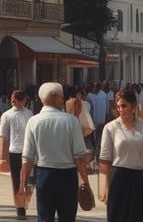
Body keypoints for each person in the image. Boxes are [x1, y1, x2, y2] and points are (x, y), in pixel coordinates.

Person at [20, 82, 91, 222]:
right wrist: (85, 181)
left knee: (45, 217)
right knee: (67, 217)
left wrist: (23, 183)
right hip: (67, 176)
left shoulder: (33, 122)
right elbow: (79, 157)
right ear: (58, 98)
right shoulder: (71, 121)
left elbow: (28, 158)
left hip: (44, 175)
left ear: (42, 99)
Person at [98, 89, 143, 222]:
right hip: (119, 177)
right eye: (118, 106)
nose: (121, 110)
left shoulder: (142, 125)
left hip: (139, 177)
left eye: (124, 106)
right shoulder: (110, 127)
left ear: (133, 106)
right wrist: (105, 187)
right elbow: (105, 160)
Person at [0, 89, 33, 221]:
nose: (13, 101)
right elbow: (3, 137)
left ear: (22, 101)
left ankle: (24, 202)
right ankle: (20, 208)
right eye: (12, 99)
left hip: (28, 152)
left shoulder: (29, 114)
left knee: (28, 181)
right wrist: (2, 158)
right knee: (17, 181)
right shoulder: (6, 115)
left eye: (16, 99)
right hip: (14, 152)